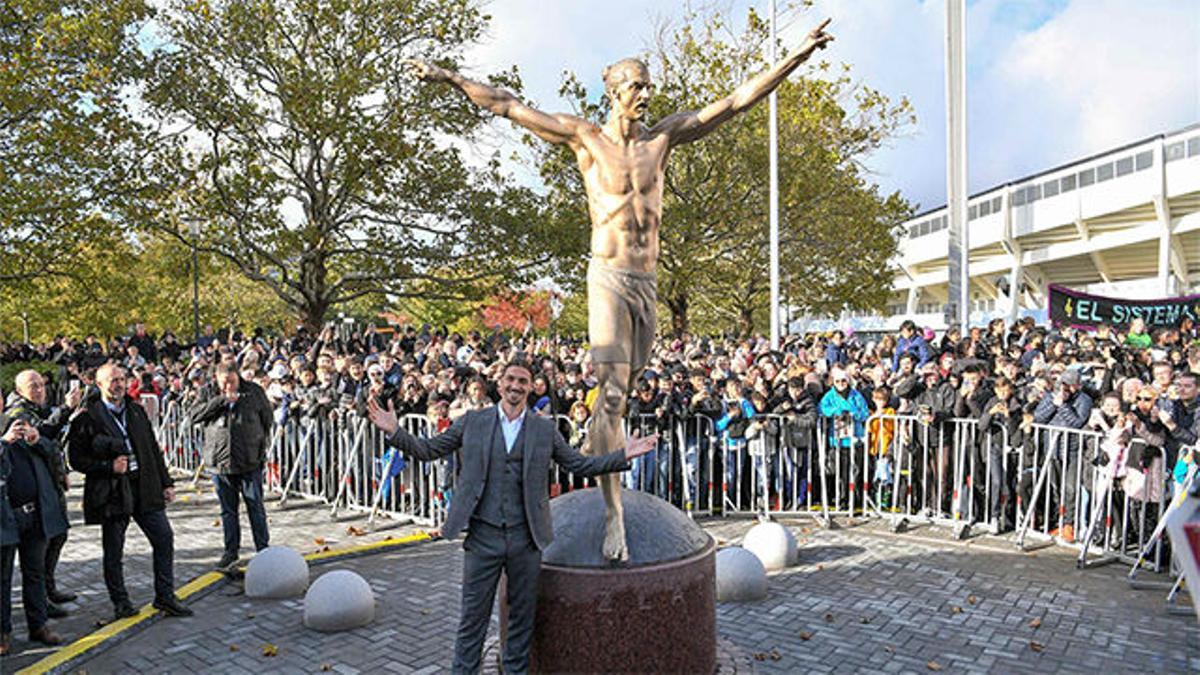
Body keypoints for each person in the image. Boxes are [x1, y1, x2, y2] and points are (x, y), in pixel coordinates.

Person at [405, 17, 833, 562]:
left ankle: (594, 448)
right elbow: (508, 105)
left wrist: (795, 55)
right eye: (636, 85)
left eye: (648, 85)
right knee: (609, 394)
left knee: (625, 395)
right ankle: (613, 514)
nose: (646, 94)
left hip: (647, 281)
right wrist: (446, 75)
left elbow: (733, 104)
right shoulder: (585, 139)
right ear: (613, 91)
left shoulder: (663, 138)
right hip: (606, 276)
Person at [365, 358, 655, 674]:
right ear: (500, 383)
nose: (516, 386)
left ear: (530, 388)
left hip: (526, 539)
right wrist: (394, 430)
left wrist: (623, 455)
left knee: (521, 620)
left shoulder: (545, 429)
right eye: (511, 379)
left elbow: (578, 465)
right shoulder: (472, 422)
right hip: (483, 538)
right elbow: (428, 450)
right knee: (472, 619)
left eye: (523, 381)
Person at [67, 364, 192, 619]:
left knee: (163, 538)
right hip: (113, 491)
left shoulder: (135, 410)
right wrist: (107, 466)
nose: (119, 384)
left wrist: (166, 482)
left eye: (122, 379)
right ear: (99, 384)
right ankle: (121, 602)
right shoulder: (87, 417)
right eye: (113, 380)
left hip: (144, 487)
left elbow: (153, 450)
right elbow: (76, 460)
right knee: (114, 550)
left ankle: (165, 596)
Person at [7, 370, 82, 614]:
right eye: (33, 386)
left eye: (41, 385)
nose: (39, 390)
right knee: (44, 542)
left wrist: (61, 472)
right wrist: (66, 409)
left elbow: (52, 444)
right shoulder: (18, 413)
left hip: (51, 481)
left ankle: (48, 589)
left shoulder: (39, 408)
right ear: (19, 391)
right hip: (34, 490)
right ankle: (42, 600)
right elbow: (42, 436)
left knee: (59, 534)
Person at [189, 363, 274, 568]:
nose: (229, 386)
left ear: (238, 377)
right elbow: (194, 416)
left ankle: (263, 549)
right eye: (224, 382)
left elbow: (267, 420)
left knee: (255, 506)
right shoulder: (208, 392)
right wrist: (221, 400)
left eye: (233, 382)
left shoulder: (253, 391)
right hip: (220, 461)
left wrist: (257, 445)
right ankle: (231, 551)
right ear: (217, 379)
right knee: (228, 510)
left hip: (249, 459)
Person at [1, 417, 68, 654]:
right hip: (5, 518)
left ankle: (38, 625)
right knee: (3, 579)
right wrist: (3, 442)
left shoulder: (17, 422)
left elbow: (52, 451)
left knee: (35, 572)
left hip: (34, 514)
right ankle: (3, 633)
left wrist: (37, 440)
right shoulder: (5, 435)